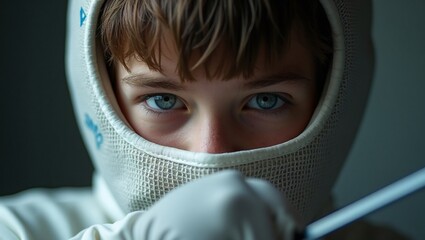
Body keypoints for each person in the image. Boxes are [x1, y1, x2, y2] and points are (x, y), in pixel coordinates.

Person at [0, 0, 408, 239]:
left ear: (335, 97)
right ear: (100, 91)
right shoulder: (19, 228)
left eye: (266, 101)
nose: (211, 154)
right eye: (162, 100)